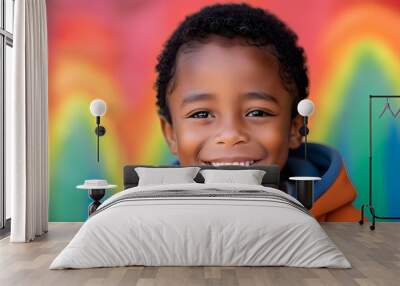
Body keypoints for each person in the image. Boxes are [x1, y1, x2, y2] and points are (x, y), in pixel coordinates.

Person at [154, 3, 360, 221]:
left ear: (294, 128)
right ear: (171, 134)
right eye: (201, 114)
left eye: (257, 113)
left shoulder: (347, 229)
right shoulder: (144, 228)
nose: (231, 135)